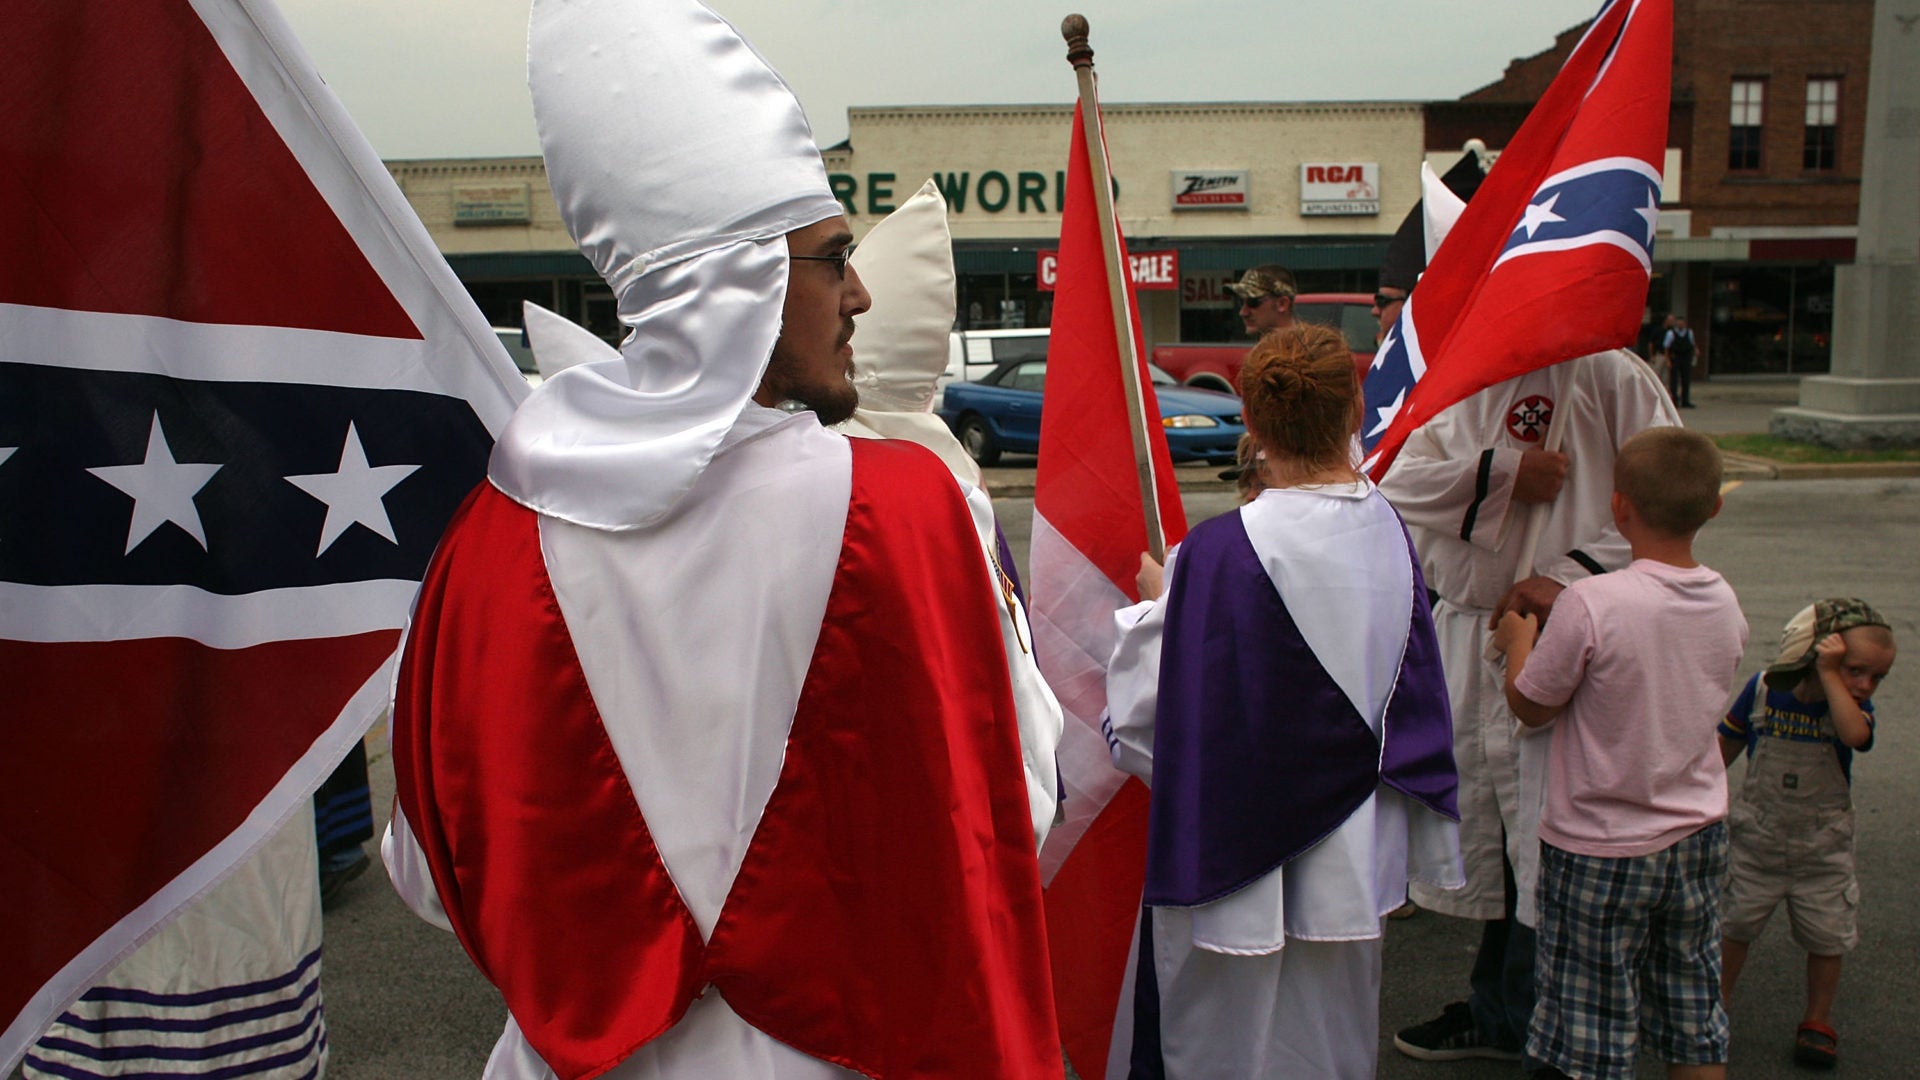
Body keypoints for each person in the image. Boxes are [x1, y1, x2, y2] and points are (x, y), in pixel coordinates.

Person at [381, 3, 1064, 1078]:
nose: (862, 294)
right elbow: (1017, 801)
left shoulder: (485, 541)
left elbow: (427, 873)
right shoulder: (908, 509)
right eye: (834, 258)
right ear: (744, 281)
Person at [1104, 323, 1462, 1078]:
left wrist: (1156, 608)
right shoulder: (1393, 534)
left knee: (1217, 1045)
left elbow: (1148, 728)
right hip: (1352, 860)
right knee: (1329, 1043)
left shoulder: (1216, 553)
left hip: (1232, 862)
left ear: (1254, 423)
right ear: (1355, 409)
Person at [1384, 346, 1681, 1064]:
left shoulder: (1611, 376)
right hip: (1471, 627)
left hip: (1574, 633)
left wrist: (1567, 576)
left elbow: (1677, 495)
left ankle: (1559, 1020)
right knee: (1494, 843)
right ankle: (1502, 1008)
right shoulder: (1452, 371)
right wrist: (1502, 474)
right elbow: (1393, 479)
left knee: (1556, 838)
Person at [1491, 425, 1746, 1080]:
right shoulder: (1724, 601)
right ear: (1715, 509)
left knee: (1591, 1023)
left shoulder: (1591, 602)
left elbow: (1533, 702)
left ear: (1618, 506)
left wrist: (1520, 636)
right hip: (1696, 838)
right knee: (1693, 1010)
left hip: (1598, 846)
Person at [1718, 599, 1896, 1071]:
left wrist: (1835, 678)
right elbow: (1726, 746)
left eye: (1876, 678)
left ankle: (1817, 1018)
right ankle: (1717, 1004)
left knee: (1827, 935)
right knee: (1734, 925)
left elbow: (1855, 735)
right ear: (1812, 653)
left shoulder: (1851, 708)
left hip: (1823, 850)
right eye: (1856, 670)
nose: (1864, 685)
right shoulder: (1761, 691)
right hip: (1757, 838)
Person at [1227, 264, 1297, 337]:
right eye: (1241, 302)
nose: (1243, 312)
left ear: (1282, 304)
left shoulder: (1304, 347)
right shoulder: (1266, 347)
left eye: (1253, 302)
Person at [1663, 314, 1699, 407]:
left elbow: (1692, 343)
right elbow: (1666, 347)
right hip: (1675, 358)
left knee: (1686, 380)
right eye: (1678, 324)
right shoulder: (1671, 333)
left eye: (1682, 324)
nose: (1680, 325)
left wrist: (1696, 350)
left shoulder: (1689, 332)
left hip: (1686, 358)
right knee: (1674, 381)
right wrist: (1668, 360)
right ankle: (1674, 400)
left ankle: (1685, 401)